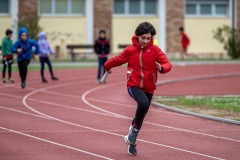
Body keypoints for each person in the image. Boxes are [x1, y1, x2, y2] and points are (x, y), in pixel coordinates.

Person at [104, 22, 172, 156]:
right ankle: (133, 133)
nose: (145, 41)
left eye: (148, 38)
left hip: (149, 86)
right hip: (133, 85)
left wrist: (162, 68)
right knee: (143, 104)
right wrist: (107, 65)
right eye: (143, 38)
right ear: (137, 36)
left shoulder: (155, 51)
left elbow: (167, 63)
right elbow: (118, 60)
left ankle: (132, 140)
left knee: (141, 114)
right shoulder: (130, 51)